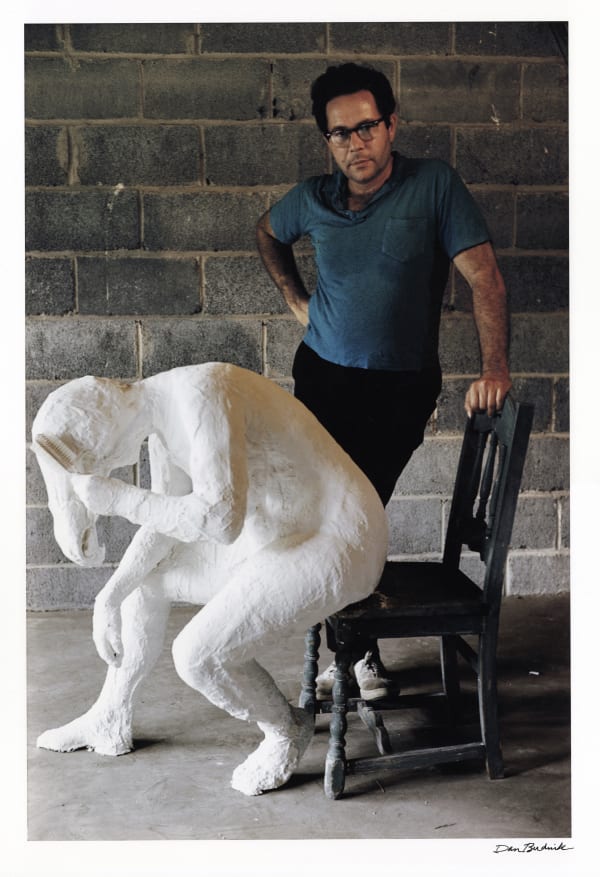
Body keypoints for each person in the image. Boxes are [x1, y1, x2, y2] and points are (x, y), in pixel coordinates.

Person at [256, 62, 512, 702]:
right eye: (340, 133)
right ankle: (353, 649)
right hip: (321, 378)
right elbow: (266, 232)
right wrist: (296, 300)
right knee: (323, 512)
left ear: (391, 124)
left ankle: (352, 650)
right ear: (327, 140)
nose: (355, 143)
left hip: (399, 387)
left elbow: (484, 278)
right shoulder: (314, 197)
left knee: (358, 510)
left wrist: (495, 368)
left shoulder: (434, 186)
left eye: (366, 126)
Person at [32, 364, 388, 796]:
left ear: (102, 432)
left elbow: (220, 520)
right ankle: (110, 717)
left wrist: (120, 499)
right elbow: (169, 522)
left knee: (198, 656)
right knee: (147, 579)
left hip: (338, 537)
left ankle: (285, 728)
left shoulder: (203, 395)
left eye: (95, 461)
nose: (103, 469)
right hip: (275, 533)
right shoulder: (158, 415)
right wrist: (109, 595)